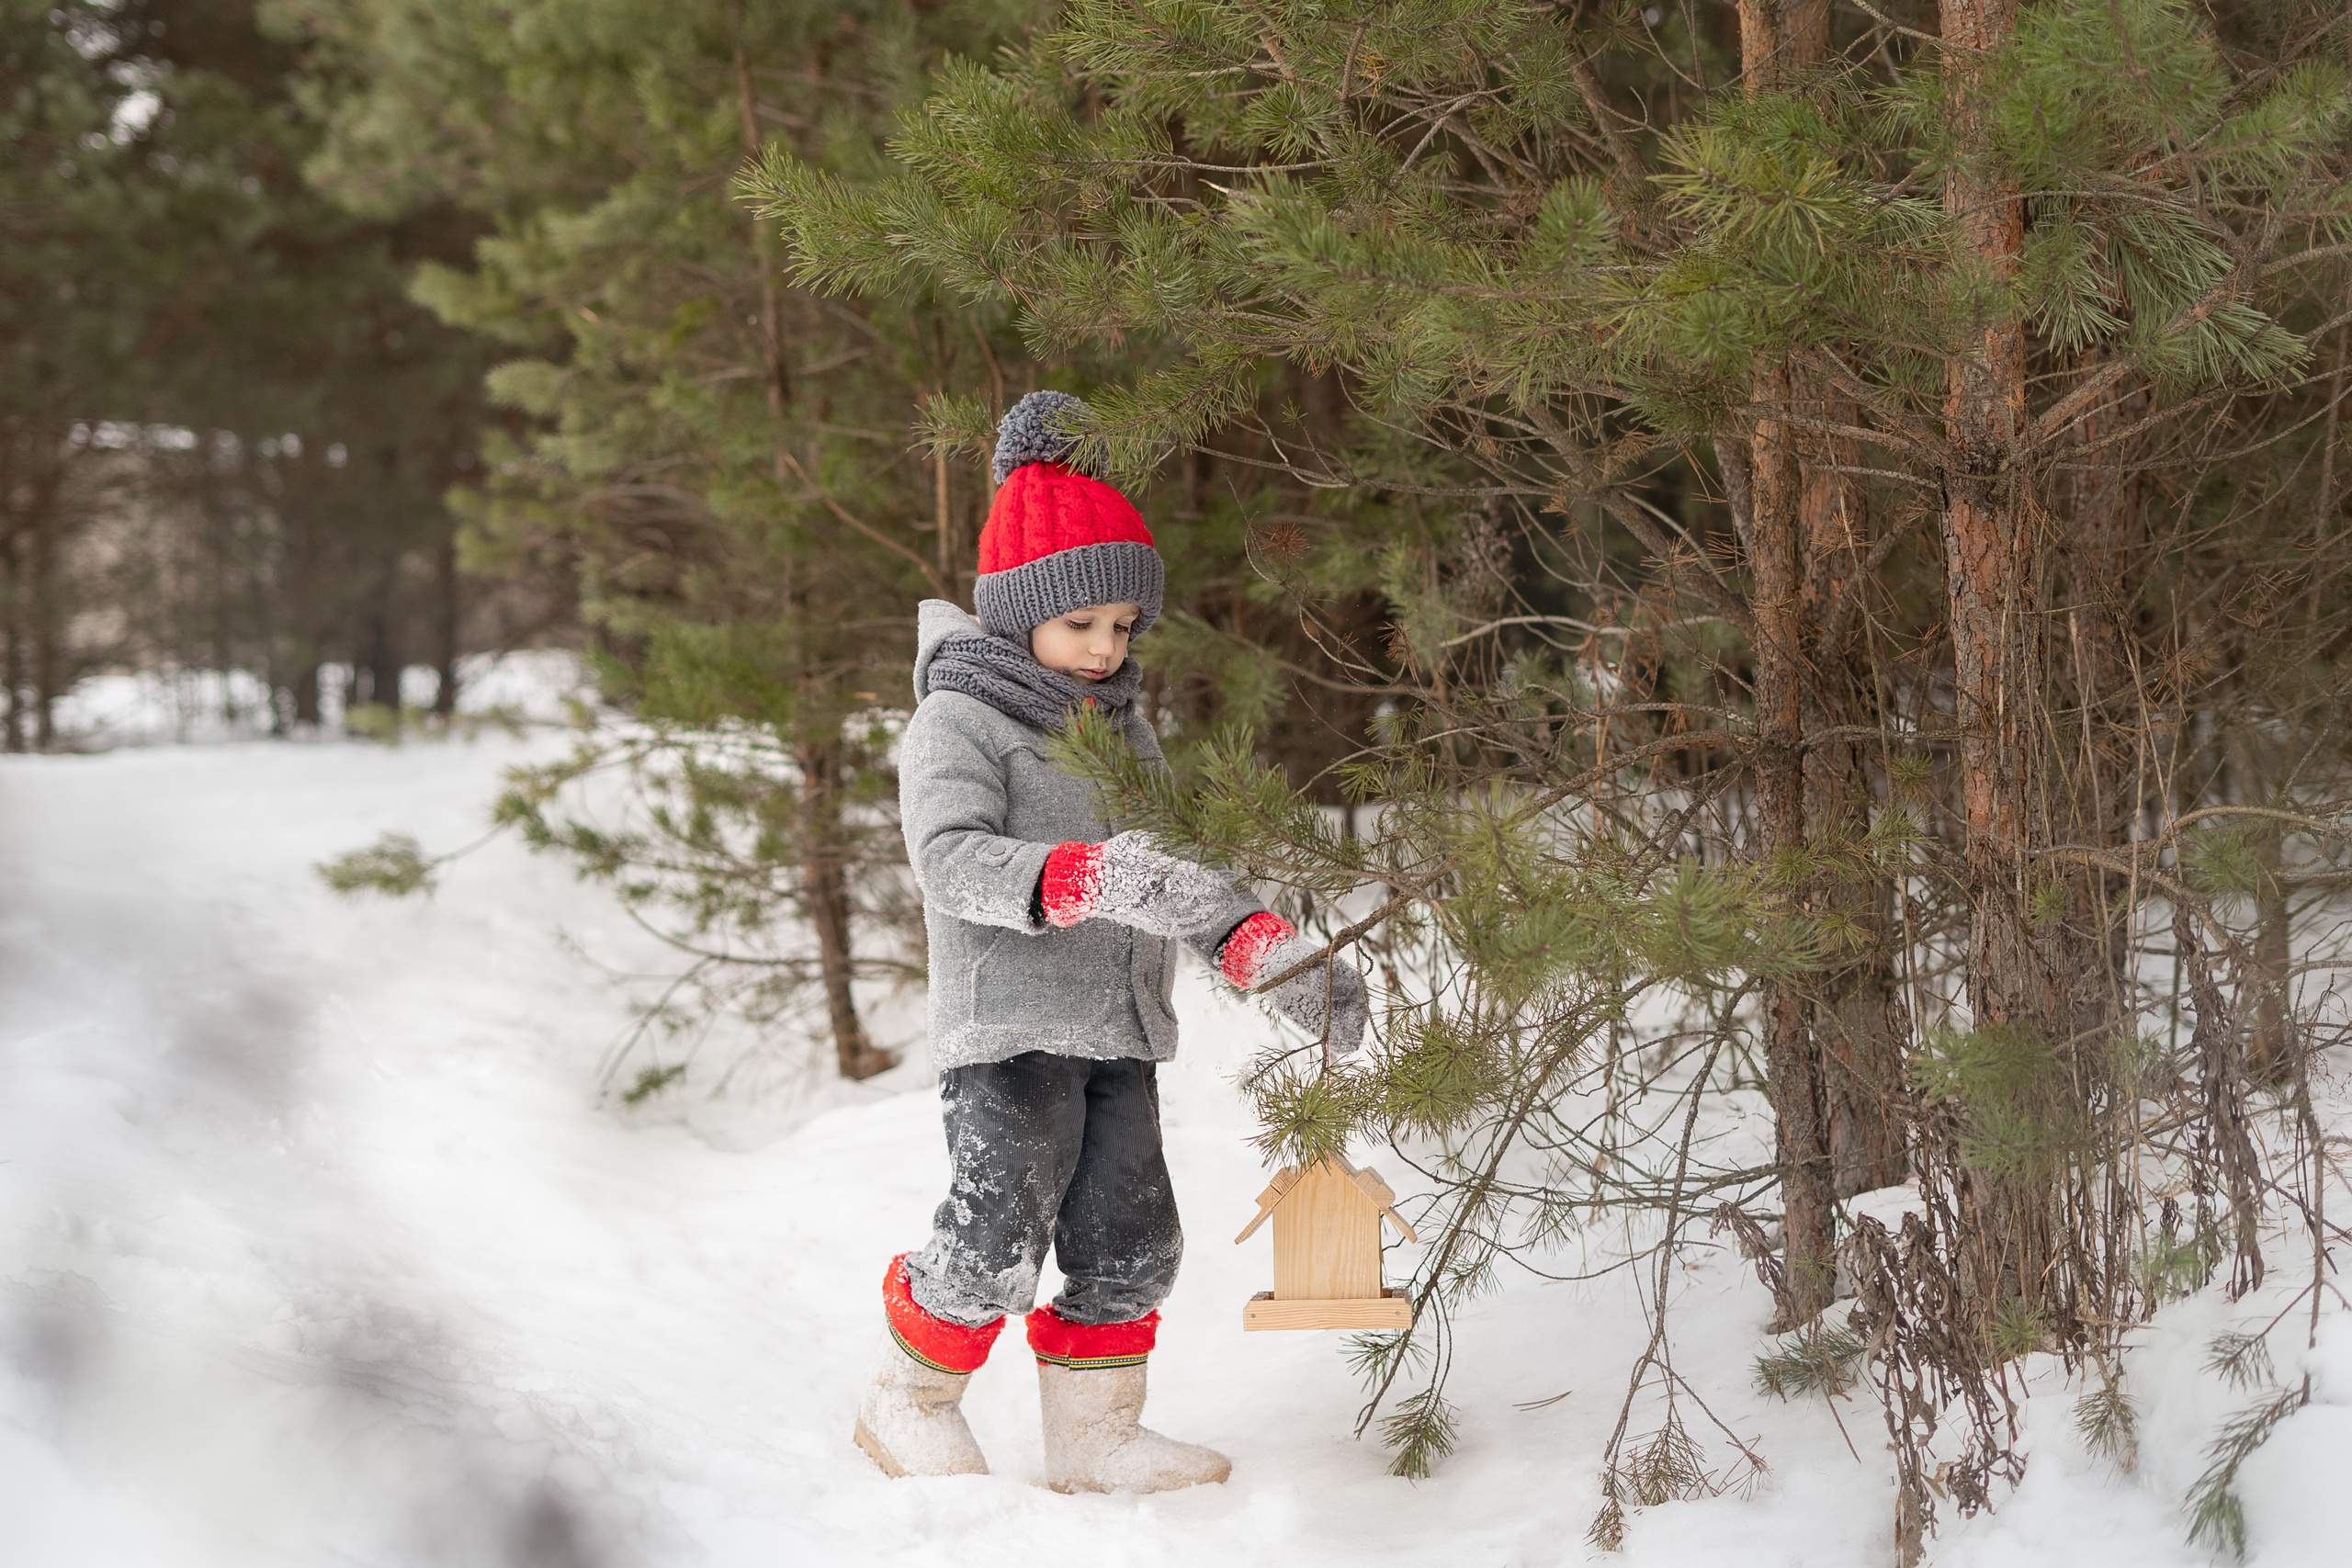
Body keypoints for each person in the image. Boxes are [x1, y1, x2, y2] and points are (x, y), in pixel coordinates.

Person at [851, 390, 1370, 1492]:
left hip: (1118, 1028)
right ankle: (907, 1399)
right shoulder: (956, 719)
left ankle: (1095, 1438)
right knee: (996, 1231)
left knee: (1132, 1238)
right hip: (1007, 1029)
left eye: (1124, 627)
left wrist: (1267, 954)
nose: (1104, 647)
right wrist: (1074, 876)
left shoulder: (1123, 726)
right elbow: (947, 859)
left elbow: (1178, 867)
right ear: (1014, 613)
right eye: (1081, 624)